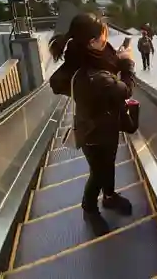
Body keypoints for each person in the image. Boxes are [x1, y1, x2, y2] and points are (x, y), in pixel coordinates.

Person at [49, 13, 135, 228]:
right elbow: (126, 89)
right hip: (94, 133)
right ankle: (89, 208)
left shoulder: (87, 55)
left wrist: (119, 59)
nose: (106, 40)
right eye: (103, 37)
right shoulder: (92, 76)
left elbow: (109, 61)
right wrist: (128, 63)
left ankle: (109, 196)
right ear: (92, 42)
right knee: (98, 172)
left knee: (109, 164)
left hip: (106, 125)